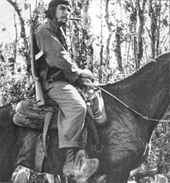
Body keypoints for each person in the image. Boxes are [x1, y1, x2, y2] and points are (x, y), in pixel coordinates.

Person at [35, 0, 99, 180]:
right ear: (52, 10)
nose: (66, 13)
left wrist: (80, 77)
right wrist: (79, 73)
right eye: (62, 9)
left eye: (69, 10)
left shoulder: (59, 31)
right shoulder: (44, 30)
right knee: (78, 107)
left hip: (65, 81)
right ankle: (70, 162)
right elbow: (58, 58)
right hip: (54, 83)